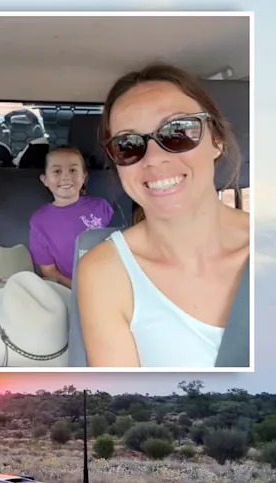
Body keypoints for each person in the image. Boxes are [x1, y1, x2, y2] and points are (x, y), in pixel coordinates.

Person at [77, 63, 249, 367]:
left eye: (178, 131)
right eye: (128, 144)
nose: (154, 159)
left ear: (216, 140)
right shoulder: (105, 272)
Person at [29, 147, 115, 289]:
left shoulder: (102, 207)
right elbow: (48, 270)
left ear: (83, 177)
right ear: (45, 180)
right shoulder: (39, 221)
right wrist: (78, 289)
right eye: (57, 171)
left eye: (73, 170)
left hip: (109, 283)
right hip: (69, 289)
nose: (66, 177)